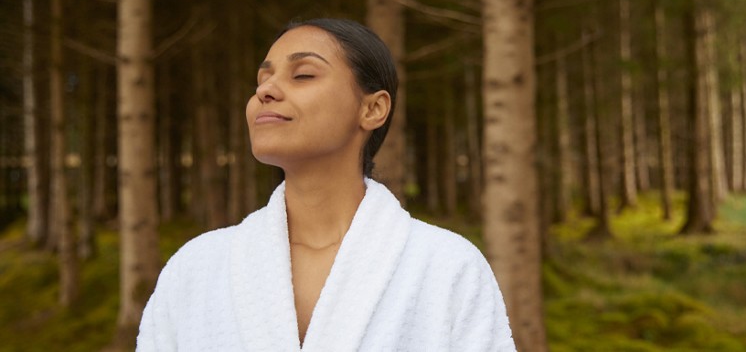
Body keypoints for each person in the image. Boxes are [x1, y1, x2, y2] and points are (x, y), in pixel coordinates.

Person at [136, 18, 516, 351]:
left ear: (372, 109)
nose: (265, 91)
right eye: (262, 79)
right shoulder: (197, 267)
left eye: (302, 75)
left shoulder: (447, 267)